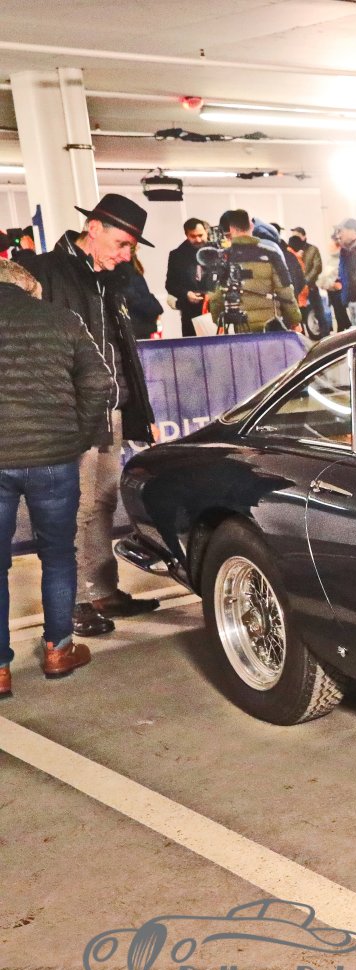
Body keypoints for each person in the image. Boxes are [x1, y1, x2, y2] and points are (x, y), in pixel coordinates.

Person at [28, 192, 161, 637]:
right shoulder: (45, 272)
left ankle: (101, 590)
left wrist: (139, 408)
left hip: (111, 408)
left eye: (131, 248)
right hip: (70, 413)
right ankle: (72, 603)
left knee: (101, 501)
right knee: (72, 507)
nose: (125, 255)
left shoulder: (113, 279)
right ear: (93, 228)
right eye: (121, 244)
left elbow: (122, 348)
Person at [0, 258, 113, 692]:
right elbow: (100, 383)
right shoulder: (63, 320)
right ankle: (58, 650)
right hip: (54, 458)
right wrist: (78, 437)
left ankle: (0, 670)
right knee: (58, 554)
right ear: (29, 288)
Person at [209, 209, 301, 334]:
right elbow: (285, 291)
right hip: (271, 326)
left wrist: (219, 321)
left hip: (241, 327)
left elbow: (216, 297)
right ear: (251, 226)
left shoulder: (224, 258)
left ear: (231, 230)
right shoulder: (271, 253)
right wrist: (295, 320)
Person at [164, 218, 209, 337]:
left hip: (215, 309)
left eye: (200, 235)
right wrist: (186, 293)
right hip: (190, 313)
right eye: (193, 236)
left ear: (206, 232)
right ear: (186, 235)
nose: (198, 239)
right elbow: (170, 284)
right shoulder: (177, 255)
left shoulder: (217, 251)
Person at [285, 227, 328, 336]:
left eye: (297, 236)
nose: (294, 238)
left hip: (311, 286)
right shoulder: (290, 251)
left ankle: (325, 336)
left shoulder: (312, 249)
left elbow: (317, 267)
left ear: (304, 236)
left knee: (319, 313)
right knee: (299, 316)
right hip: (298, 290)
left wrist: (305, 281)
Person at [118, 253, 164, 339]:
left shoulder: (131, 267)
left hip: (139, 325)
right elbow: (133, 297)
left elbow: (141, 294)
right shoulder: (124, 269)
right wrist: (155, 308)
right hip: (136, 326)